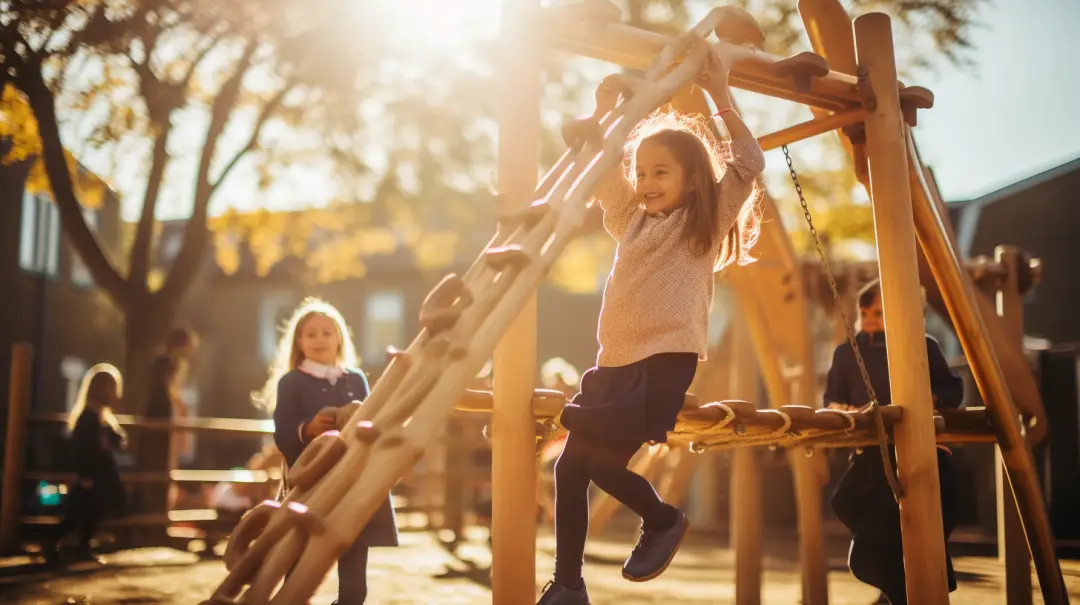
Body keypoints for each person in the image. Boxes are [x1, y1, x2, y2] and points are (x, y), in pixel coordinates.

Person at [537, 48, 765, 605]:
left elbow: (749, 163)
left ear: (693, 179)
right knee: (571, 469)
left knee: (601, 464)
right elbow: (599, 162)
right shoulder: (628, 219)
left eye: (660, 172)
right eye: (641, 172)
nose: (646, 181)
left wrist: (719, 93)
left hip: (663, 359)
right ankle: (568, 584)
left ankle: (663, 520)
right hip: (612, 362)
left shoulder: (703, 222)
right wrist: (604, 109)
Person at [826, 279, 964, 605]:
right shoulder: (848, 352)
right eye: (863, 312)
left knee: (927, 511)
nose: (868, 318)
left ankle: (905, 587)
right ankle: (896, 586)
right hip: (872, 451)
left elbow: (952, 389)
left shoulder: (923, 345)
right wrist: (842, 410)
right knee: (847, 502)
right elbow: (832, 398)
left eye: (876, 312)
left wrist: (932, 396)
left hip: (916, 447)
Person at [256, 297, 398, 605]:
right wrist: (308, 428)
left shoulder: (356, 378)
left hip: (353, 485)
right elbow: (282, 431)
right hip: (311, 486)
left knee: (355, 585)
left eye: (327, 332)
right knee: (297, 563)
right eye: (311, 334)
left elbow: (374, 420)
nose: (320, 339)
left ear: (339, 338)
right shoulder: (291, 382)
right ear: (299, 342)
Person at [44, 364, 128, 565]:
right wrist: (85, 474)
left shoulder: (100, 416)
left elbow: (114, 440)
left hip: (97, 472)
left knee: (90, 509)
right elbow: (82, 447)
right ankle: (55, 544)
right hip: (92, 473)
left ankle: (77, 546)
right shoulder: (90, 416)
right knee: (80, 510)